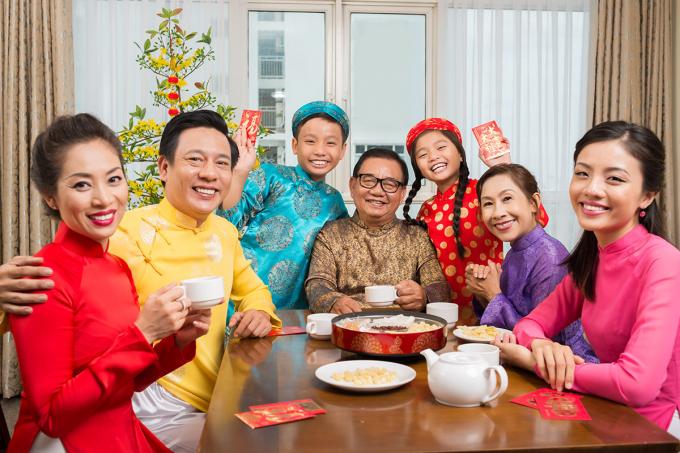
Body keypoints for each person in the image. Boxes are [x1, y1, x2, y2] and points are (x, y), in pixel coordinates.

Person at [0, 110, 281, 452]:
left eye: (113, 179)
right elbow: (53, 414)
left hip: (126, 421)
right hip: (91, 433)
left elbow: (129, 376)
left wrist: (178, 341)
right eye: (81, 184)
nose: (104, 198)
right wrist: (145, 332)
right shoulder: (60, 266)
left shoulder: (115, 265)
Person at [496, 121, 680, 434]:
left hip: (657, 428)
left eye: (614, 178)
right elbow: (530, 324)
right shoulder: (592, 259)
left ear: (647, 196)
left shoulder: (663, 263)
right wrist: (542, 346)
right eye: (582, 173)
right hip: (605, 410)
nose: (591, 189)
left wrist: (535, 363)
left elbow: (638, 385)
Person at [402, 118, 549, 325]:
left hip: (489, 302)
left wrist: (503, 166)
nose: (433, 156)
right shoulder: (426, 209)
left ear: (460, 154)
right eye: (422, 155)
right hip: (442, 313)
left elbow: (538, 219)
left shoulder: (483, 193)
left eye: (441, 147)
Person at [217, 101, 349, 310]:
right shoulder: (271, 176)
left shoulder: (335, 202)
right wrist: (240, 171)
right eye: (310, 141)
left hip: (297, 310)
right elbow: (226, 222)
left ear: (343, 151)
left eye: (330, 143)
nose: (320, 151)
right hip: (244, 299)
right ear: (295, 145)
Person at [465, 163, 597, 363]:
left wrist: (493, 294)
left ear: (533, 203)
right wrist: (482, 290)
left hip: (567, 367)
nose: (498, 212)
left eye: (507, 198)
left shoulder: (550, 258)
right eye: (488, 203)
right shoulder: (516, 250)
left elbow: (547, 341)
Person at [305, 148, 449, 314]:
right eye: (368, 180)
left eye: (390, 184)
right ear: (352, 185)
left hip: (405, 325)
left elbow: (440, 288)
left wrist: (424, 296)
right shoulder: (331, 234)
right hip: (349, 322)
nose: (377, 191)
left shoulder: (417, 236)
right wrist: (333, 301)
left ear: (402, 193)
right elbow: (317, 283)